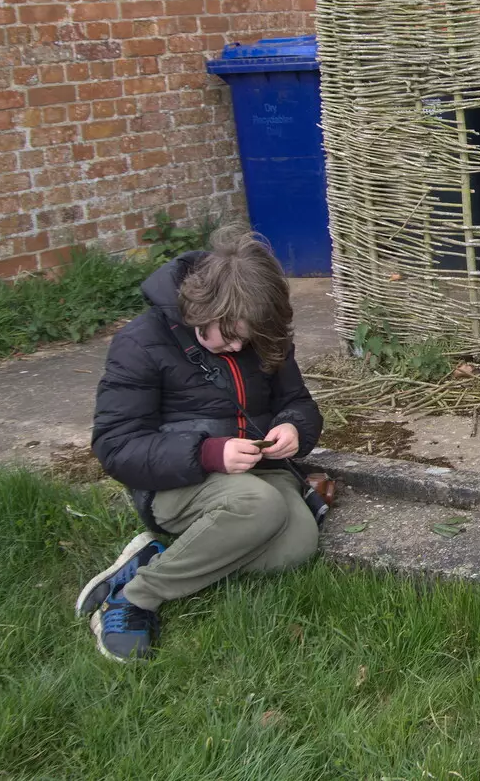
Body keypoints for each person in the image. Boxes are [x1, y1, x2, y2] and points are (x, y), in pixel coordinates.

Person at [80, 225, 324, 661]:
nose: (237, 346)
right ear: (201, 307)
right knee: (259, 507)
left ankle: (162, 556)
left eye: (248, 338)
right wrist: (208, 452)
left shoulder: (259, 331)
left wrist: (292, 428)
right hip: (178, 482)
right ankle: (134, 597)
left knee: (298, 545)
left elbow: (298, 403)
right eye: (229, 333)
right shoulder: (141, 341)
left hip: (259, 472)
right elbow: (116, 446)